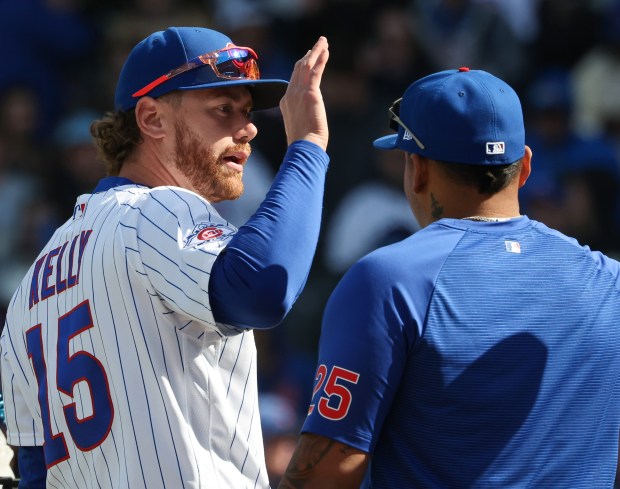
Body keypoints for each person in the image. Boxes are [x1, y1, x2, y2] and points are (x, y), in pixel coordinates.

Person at [0, 26, 330, 488]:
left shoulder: (30, 285)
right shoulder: (154, 210)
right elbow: (264, 286)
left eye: (247, 111)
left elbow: (33, 470)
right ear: (152, 119)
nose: (248, 127)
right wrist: (309, 148)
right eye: (223, 109)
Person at [279, 67, 620, 488]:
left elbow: (325, 475)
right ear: (525, 166)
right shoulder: (609, 280)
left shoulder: (388, 279)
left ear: (417, 169)